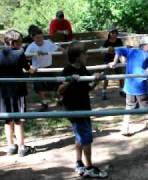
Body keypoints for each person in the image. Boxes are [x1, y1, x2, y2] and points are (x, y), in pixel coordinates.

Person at [57, 42, 108, 178]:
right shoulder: (67, 70)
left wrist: (96, 80)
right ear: (77, 56)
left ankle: (79, 163)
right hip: (74, 108)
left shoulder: (83, 68)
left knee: (80, 137)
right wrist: (69, 81)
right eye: (84, 54)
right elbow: (59, 91)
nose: (87, 56)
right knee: (86, 138)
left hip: (85, 106)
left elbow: (87, 88)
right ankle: (89, 167)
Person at [0, 30, 35, 157]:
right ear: (14, 42)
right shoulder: (20, 53)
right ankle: (21, 147)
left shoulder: (0, 53)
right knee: (18, 119)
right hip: (18, 90)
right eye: (21, 42)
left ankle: (10, 146)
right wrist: (33, 69)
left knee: (8, 118)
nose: (22, 44)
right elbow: (28, 69)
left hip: (5, 90)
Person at [109, 36, 148, 136]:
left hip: (130, 85)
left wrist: (114, 62)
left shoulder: (132, 51)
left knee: (129, 107)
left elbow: (119, 50)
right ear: (144, 46)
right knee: (146, 106)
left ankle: (125, 127)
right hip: (138, 86)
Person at [25, 28, 63, 111]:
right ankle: (44, 103)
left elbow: (57, 48)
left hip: (49, 67)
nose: (40, 39)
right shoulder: (31, 46)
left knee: (56, 85)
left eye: (41, 37)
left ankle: (60, 100)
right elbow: (26, 57)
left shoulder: (48, 42)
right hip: (37, 69)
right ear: (33, 38)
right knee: (39, 88)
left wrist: (62, 49)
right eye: (37, 38)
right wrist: (34, 54)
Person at [102, 27, 124, 100]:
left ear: (117, 34)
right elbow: (102, 51)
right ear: (110, 34)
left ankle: (122, 90)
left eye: (115, 33)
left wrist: (114, 51)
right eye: (112, 33)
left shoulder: (119, 41)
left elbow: (121, 50)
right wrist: (107, 50)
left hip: (117, 60)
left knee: (121, 76)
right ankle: (104, 92)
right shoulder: (106, 42)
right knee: (106, 77)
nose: (113, 34)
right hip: (108, 61)